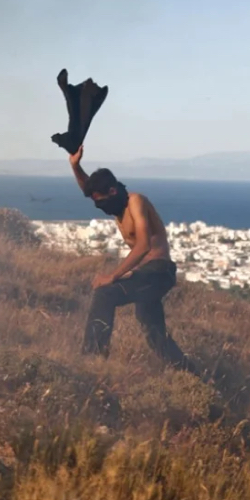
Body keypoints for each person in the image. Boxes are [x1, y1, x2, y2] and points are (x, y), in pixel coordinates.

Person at [68, 145, 191, 369]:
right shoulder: (116, 206)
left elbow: (144, 245)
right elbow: (91, 189)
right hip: (145, 275)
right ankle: (192, 377)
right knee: (155, 334)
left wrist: (113, 276)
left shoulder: (135, 202)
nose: (100, 206)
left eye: (102, 201)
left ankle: (92, 360)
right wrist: (75, 166)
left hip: (158, 272)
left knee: (105, 293)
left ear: (113, 192)